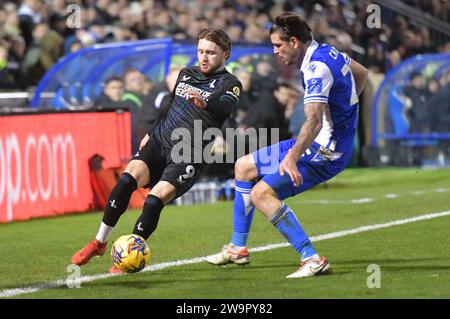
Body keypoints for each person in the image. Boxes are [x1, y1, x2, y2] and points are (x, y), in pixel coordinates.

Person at [207, 12, 368, 278]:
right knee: (243, 167)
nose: (275, 52)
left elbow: (314, 121)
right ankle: (237, 247)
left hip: (326, 151)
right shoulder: (328, 52)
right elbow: (361, 72)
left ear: (294, 42)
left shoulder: (317, 67)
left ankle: (311, 257)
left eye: (278, 45)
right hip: (316, 141)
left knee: (261, 194)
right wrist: (345, 109)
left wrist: (292, 157)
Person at [71, 27, 242, 274]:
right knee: (126, 180)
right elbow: (170, 107)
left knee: (153, 201)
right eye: (201, 51)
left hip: (189, 152)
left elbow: (226, 106)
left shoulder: (229, 83)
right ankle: (99, 242)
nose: (204, 57)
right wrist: (150, 133)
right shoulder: (186, 74)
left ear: (226, 55)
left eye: (211, 53)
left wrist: (206, 101)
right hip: (160, 141)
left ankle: (130, 254)